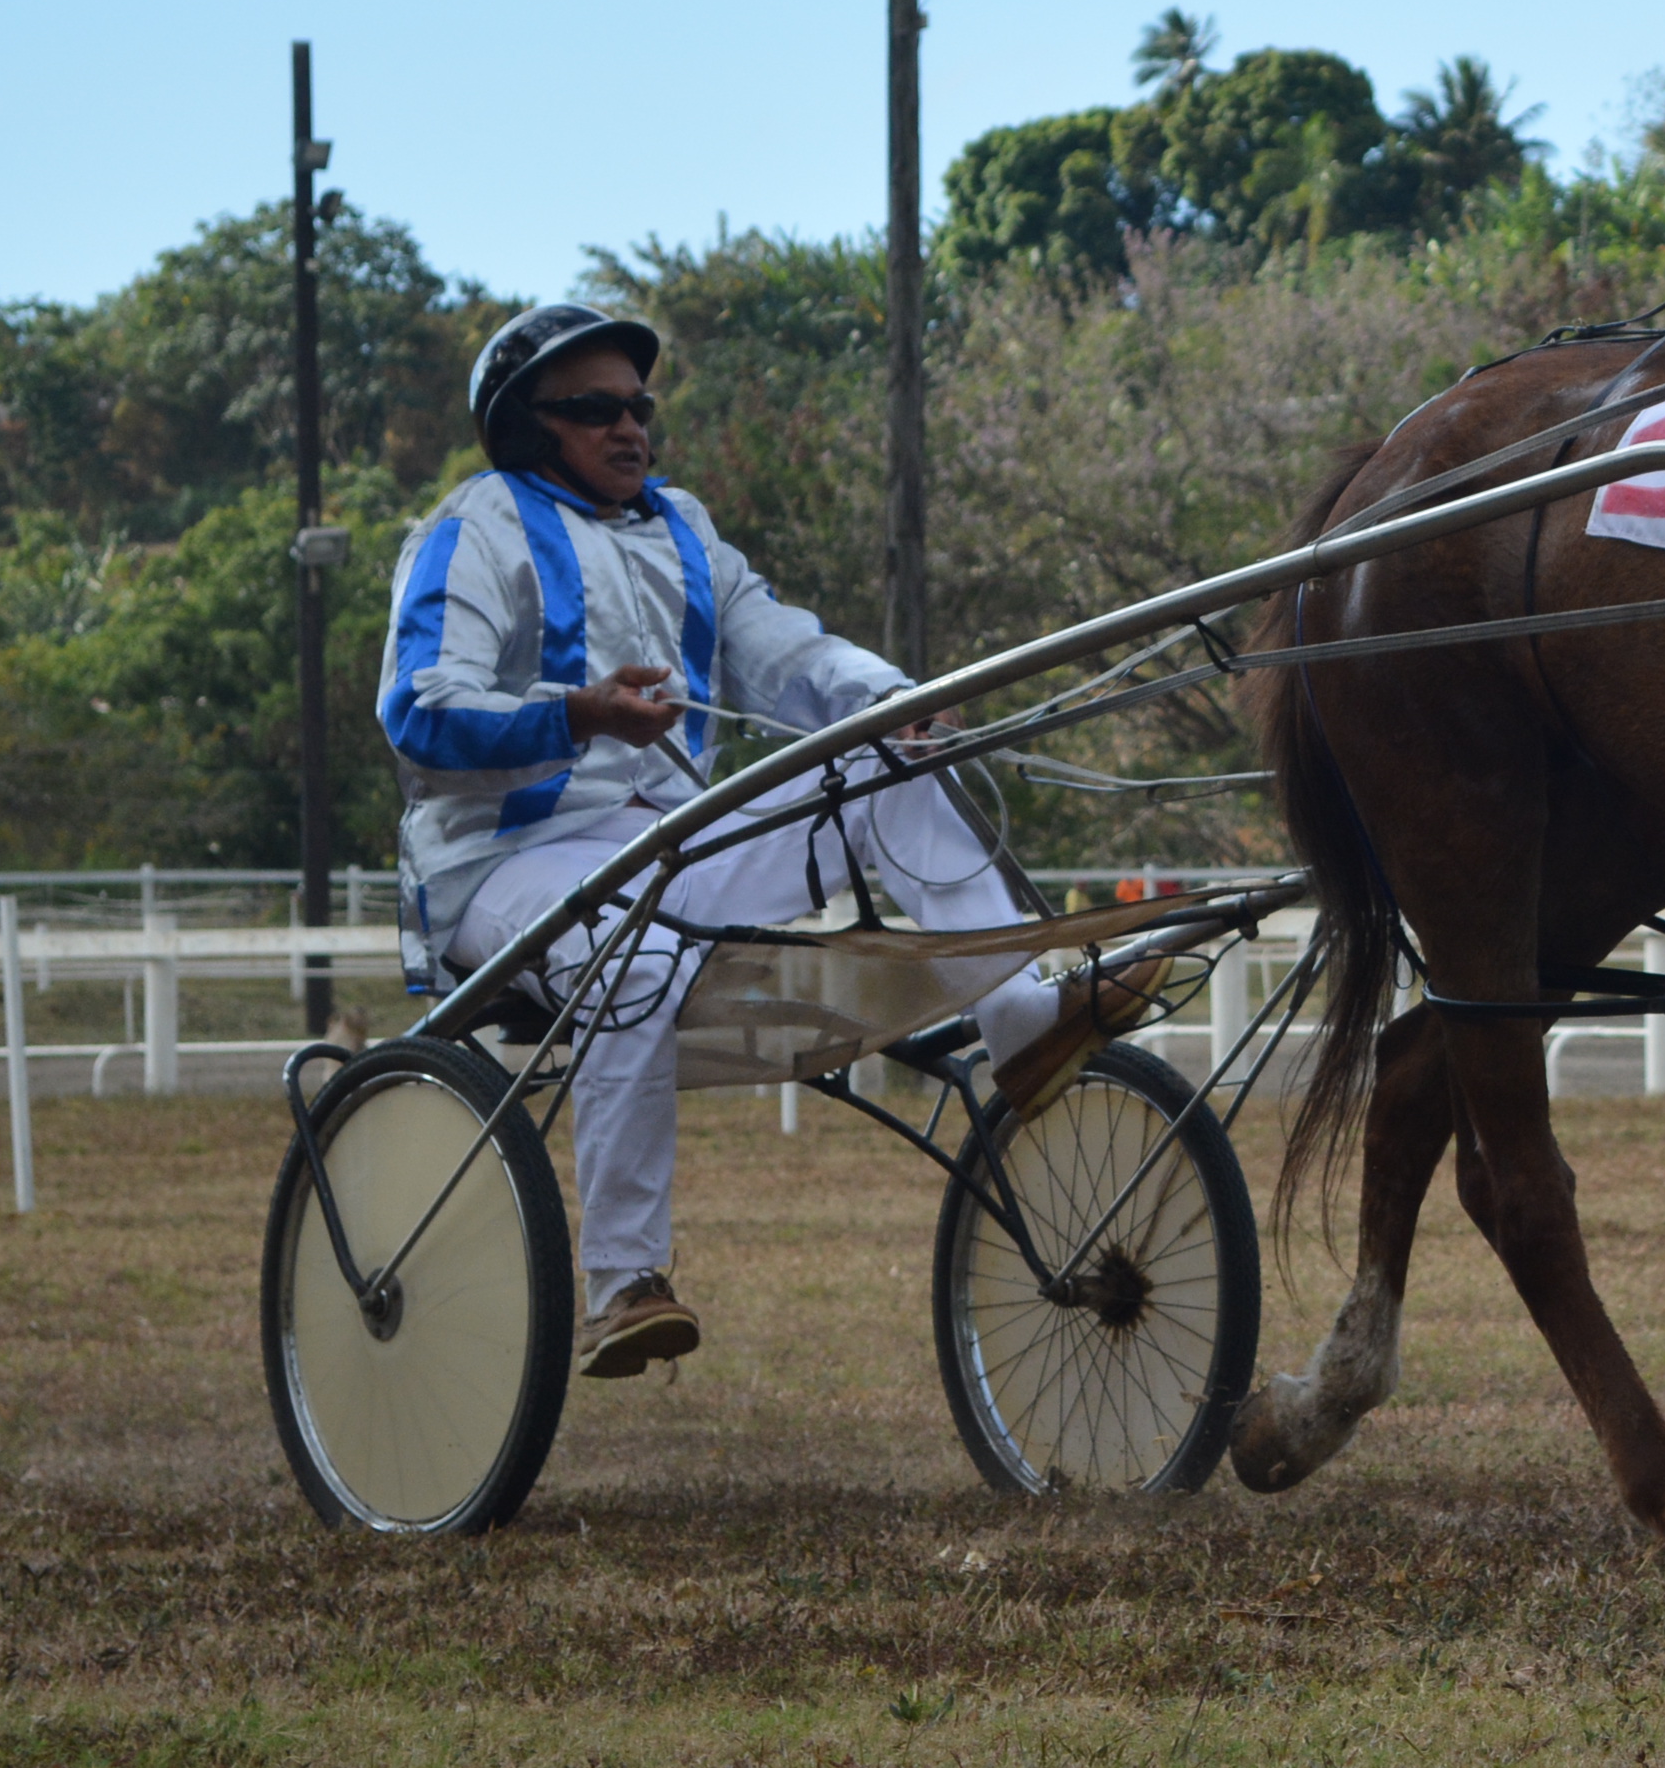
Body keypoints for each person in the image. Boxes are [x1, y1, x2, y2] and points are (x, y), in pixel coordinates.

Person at [377, 304, 1125, 1379]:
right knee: (633, 949)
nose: (630, 429)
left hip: (665, 845)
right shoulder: (474, 528)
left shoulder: (683, 527)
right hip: (505, 867)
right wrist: (579, 713)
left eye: (639, 408)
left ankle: (1022, 1022)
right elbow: (417, 710)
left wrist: (898, 702)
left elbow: (790, 652)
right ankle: (623, 1284)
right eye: (595, 411)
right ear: (526, 427)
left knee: (888, 763)